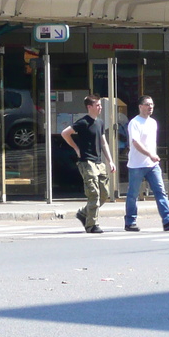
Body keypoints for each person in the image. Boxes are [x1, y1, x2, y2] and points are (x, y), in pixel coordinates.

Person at [124, 95, 169, 232]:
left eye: (152, 104)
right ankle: (130, 222)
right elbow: (135, 143)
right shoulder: (135, 123)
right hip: (136, 165)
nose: (150, 107)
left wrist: (152, 157)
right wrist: (150, 154)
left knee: (160, 191)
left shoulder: (153, 122)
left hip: (152, 165)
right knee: (133, 194)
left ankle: (167, 220)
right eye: (147, 104)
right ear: (140, 107)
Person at [62, 95, 114, 233]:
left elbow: (103, 142)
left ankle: (84, 213)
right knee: (94, 194)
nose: (100, 107)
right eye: (97, 105)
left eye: (100, 105)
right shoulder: (83, 122)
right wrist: (76, 148)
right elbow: (65, 133)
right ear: (89, 107)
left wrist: (110, 161)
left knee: (104, 193)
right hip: (87, 162)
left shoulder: (100, 123)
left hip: (99, 162)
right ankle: (91, 225)